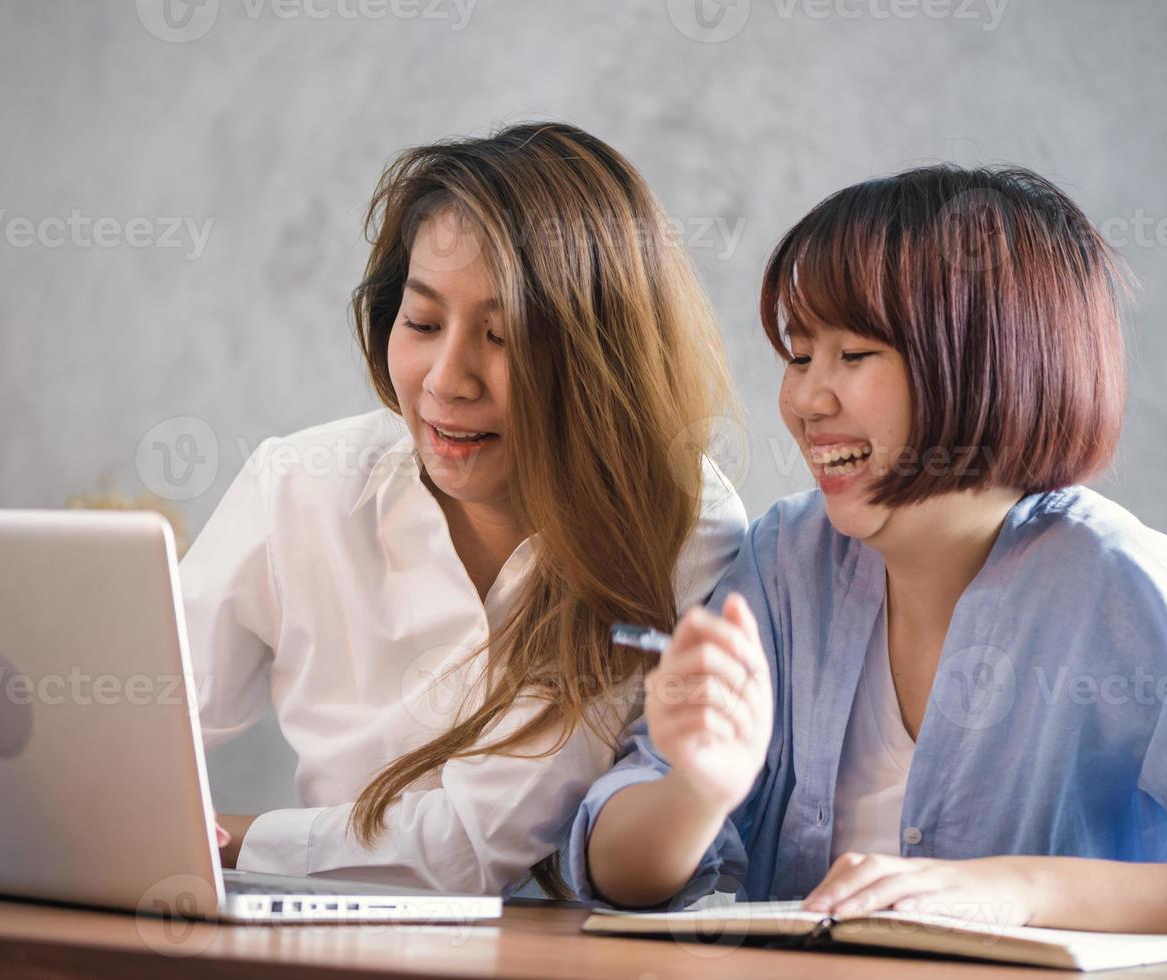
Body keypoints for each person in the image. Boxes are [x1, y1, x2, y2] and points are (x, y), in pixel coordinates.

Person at [572, 165, 1167, 949]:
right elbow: (617, 866)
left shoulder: (1131, 591)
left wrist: (1018, 888)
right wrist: (697, 791)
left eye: (853, 354)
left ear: (992, 359)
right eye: (798, 356)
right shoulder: (784, 563)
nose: (807, 400)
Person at [181, 122, 747, 897]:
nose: (448, 380)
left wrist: (233, 840)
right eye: (420, 323)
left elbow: (472, 848)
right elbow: (131, 720)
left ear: (598, 354)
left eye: (502, 336)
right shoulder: (300, 484)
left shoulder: (679, 521)